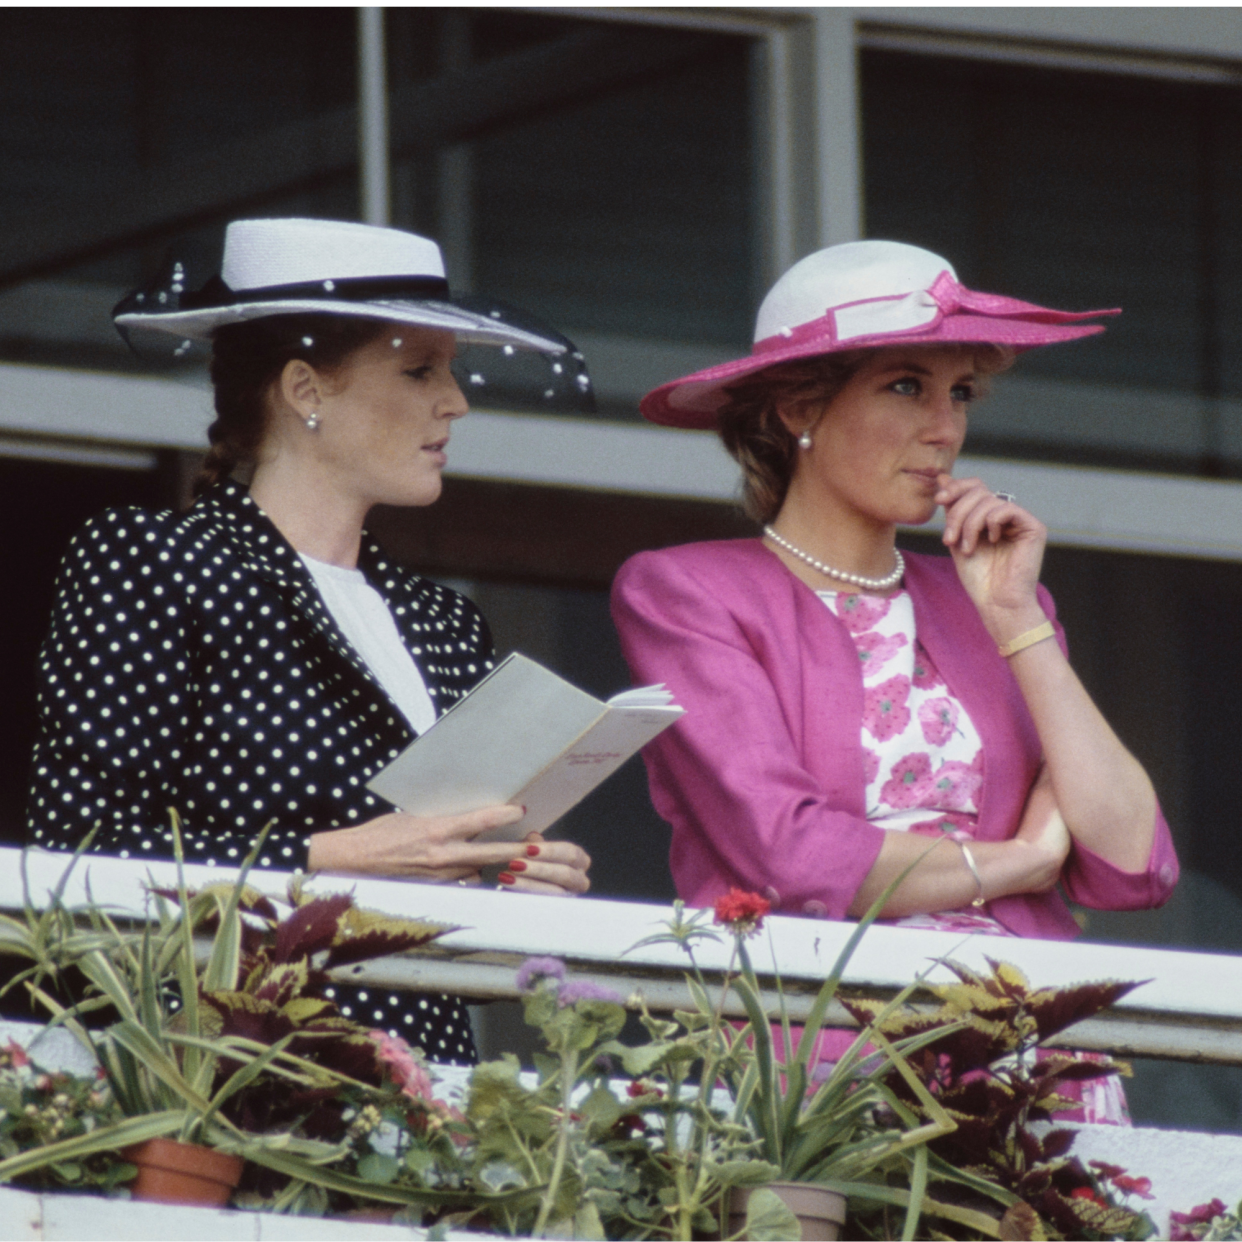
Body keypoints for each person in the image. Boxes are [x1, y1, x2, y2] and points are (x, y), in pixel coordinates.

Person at [611, 241, 1177, 1117]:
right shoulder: (687, 591)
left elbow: (1130, 861)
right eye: (906, 386)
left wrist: (1021, 624)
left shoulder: (990, 602)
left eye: (960, 393)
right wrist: (1022, 859)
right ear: (801, 404)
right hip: (829, 1060)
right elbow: (791, 855)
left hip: (1041, 1057)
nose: (944, 427)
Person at [26, 217, 592, 1064]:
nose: (457, 400)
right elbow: (81, 850)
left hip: (424, 1081)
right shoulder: (156, 558)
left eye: (453, 370)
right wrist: (333, 860)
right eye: (419, 369)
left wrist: (516, 872)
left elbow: (447, 871)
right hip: (219, 1072)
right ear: (305, 389)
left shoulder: (442, 619)